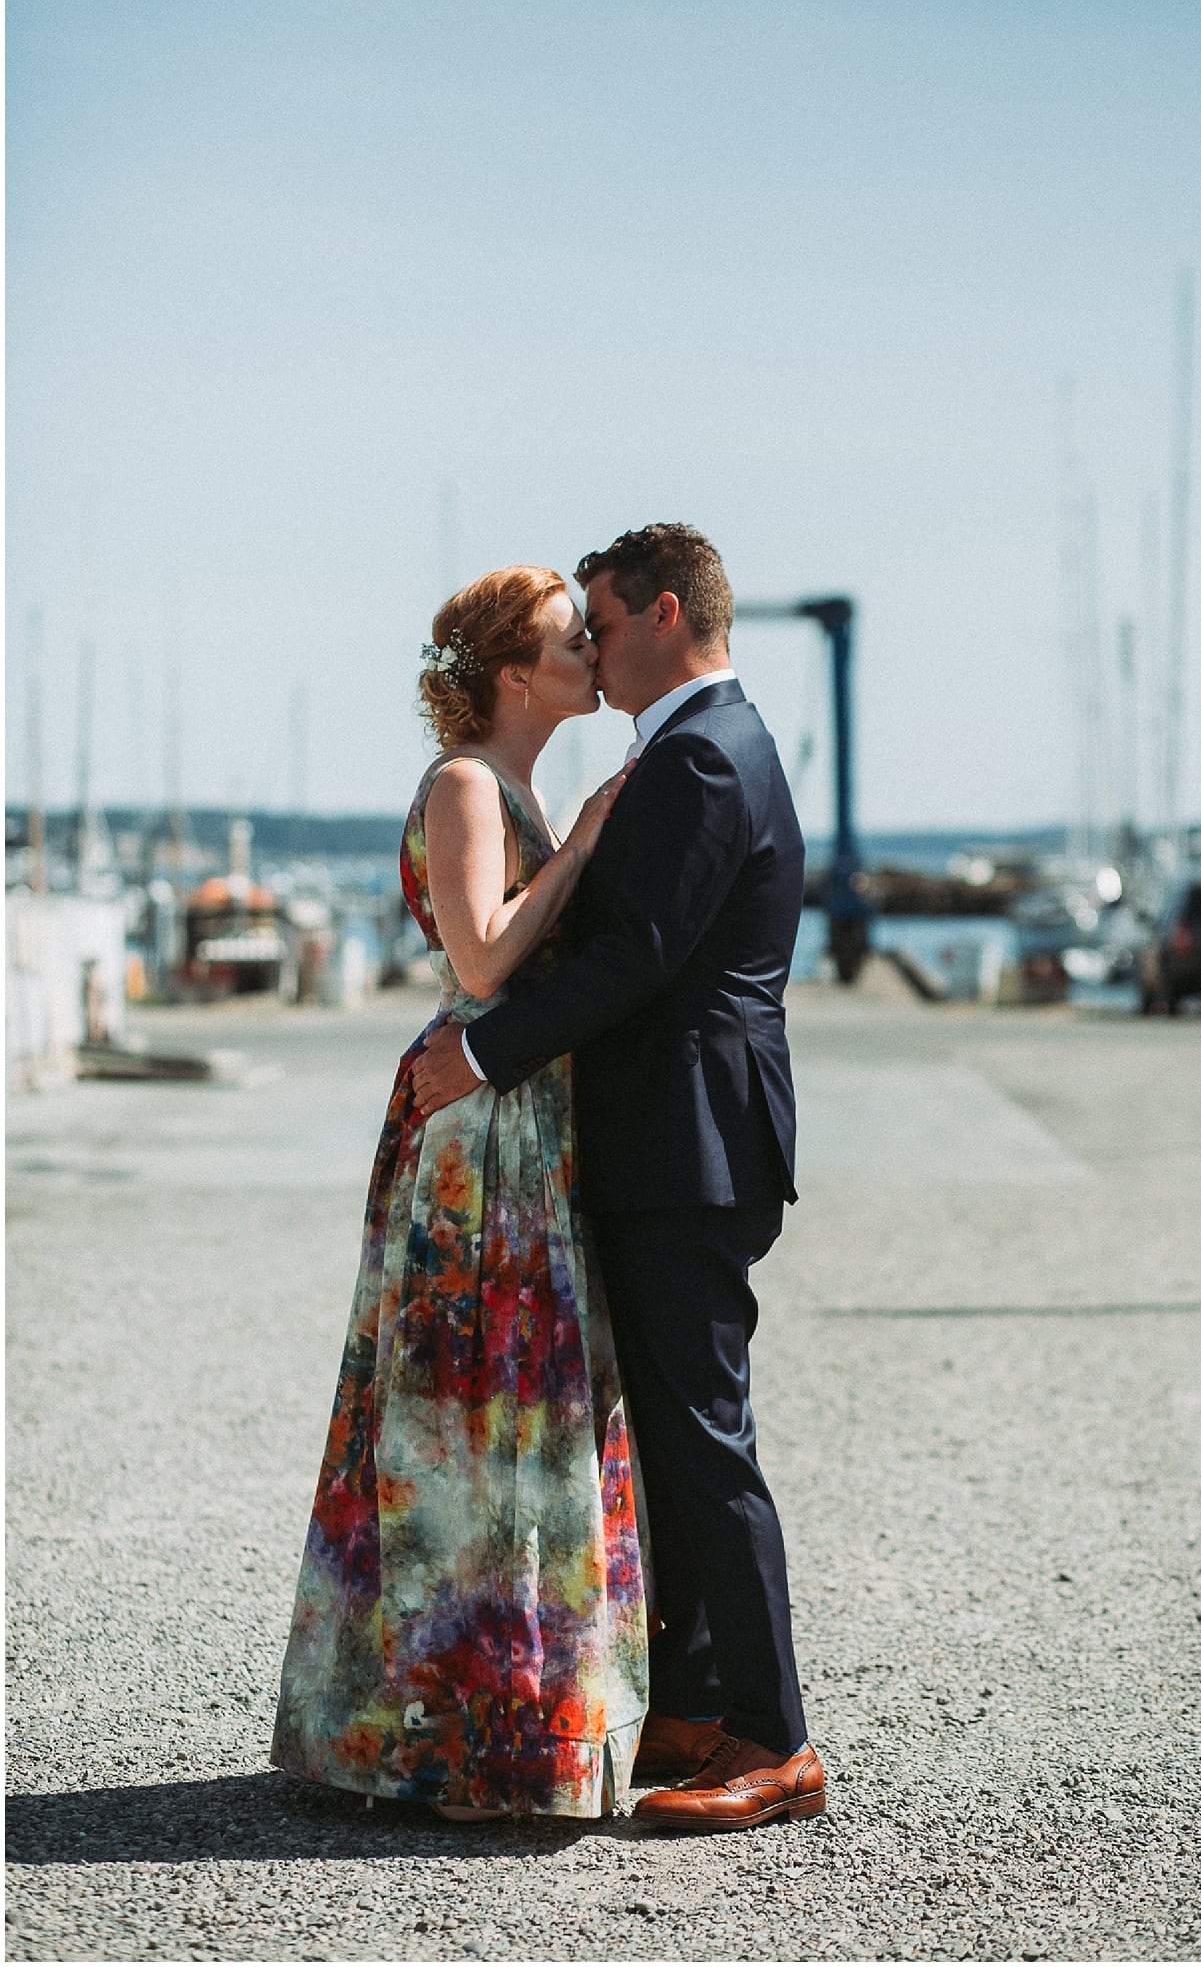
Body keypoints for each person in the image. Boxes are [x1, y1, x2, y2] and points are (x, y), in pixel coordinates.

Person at [413, 523, 826, 1833]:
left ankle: (774, 1739)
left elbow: (640, 956)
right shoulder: (696, 745)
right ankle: (700, 1709)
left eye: (599, 621)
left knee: (705, 1443)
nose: (590, 647)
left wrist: (483, 1050)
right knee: (667, 1436)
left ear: (662, 612)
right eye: (571, 632)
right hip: (672, 1140)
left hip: (691, 1145)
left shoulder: (703, 753)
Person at [271, 564, 649, 1822]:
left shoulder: (515, 783)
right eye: (564, 638)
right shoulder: (468, 784)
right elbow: (484, 949)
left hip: (520, 1114)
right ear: (510, 673)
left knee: (508, 1406)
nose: (590, 649)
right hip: (479, 1127)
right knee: (464, 1411)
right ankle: (448, 1731)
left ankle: (501, 1717)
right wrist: (588, 840)